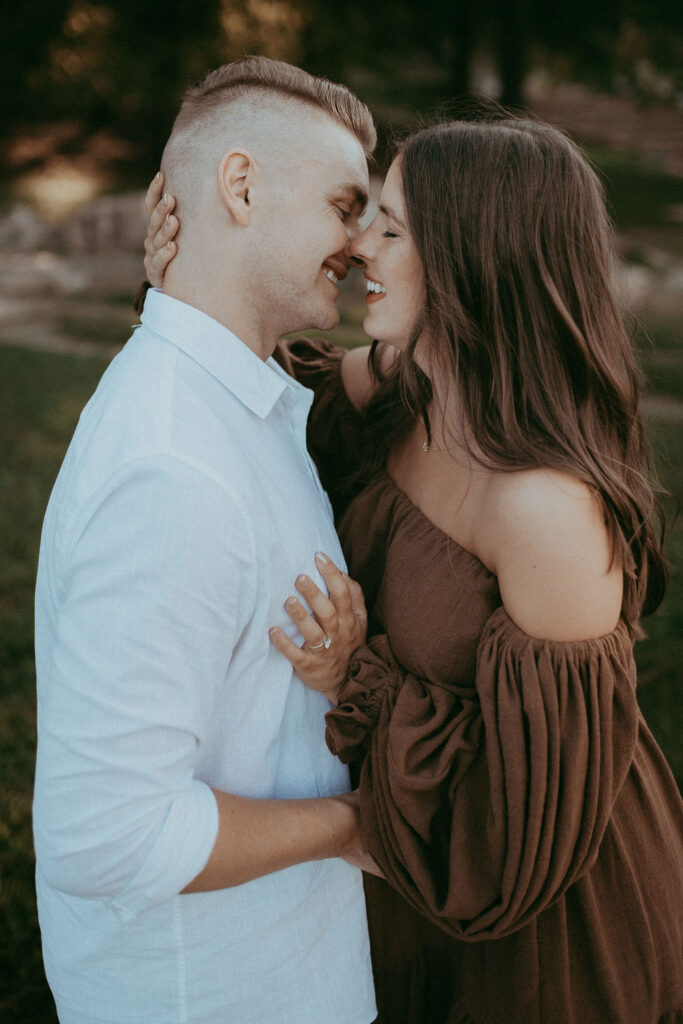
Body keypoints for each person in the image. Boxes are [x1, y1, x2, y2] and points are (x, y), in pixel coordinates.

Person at [146, 114, 683, 1023]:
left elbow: (515, 836)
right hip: (396, 883)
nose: (359, 246)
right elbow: (273, 406)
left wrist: (352, 676)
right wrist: (193, 281)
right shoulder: (407, 378)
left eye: (391, 229)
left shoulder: (546, 514)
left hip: (530, 934)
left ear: (476, 260)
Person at [32, 56, 380, 1024]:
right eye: (343, 206)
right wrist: (357, 824)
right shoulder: (172, 469)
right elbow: (107, 837)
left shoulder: (234, 406)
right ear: (240, 186)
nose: (359, 245)